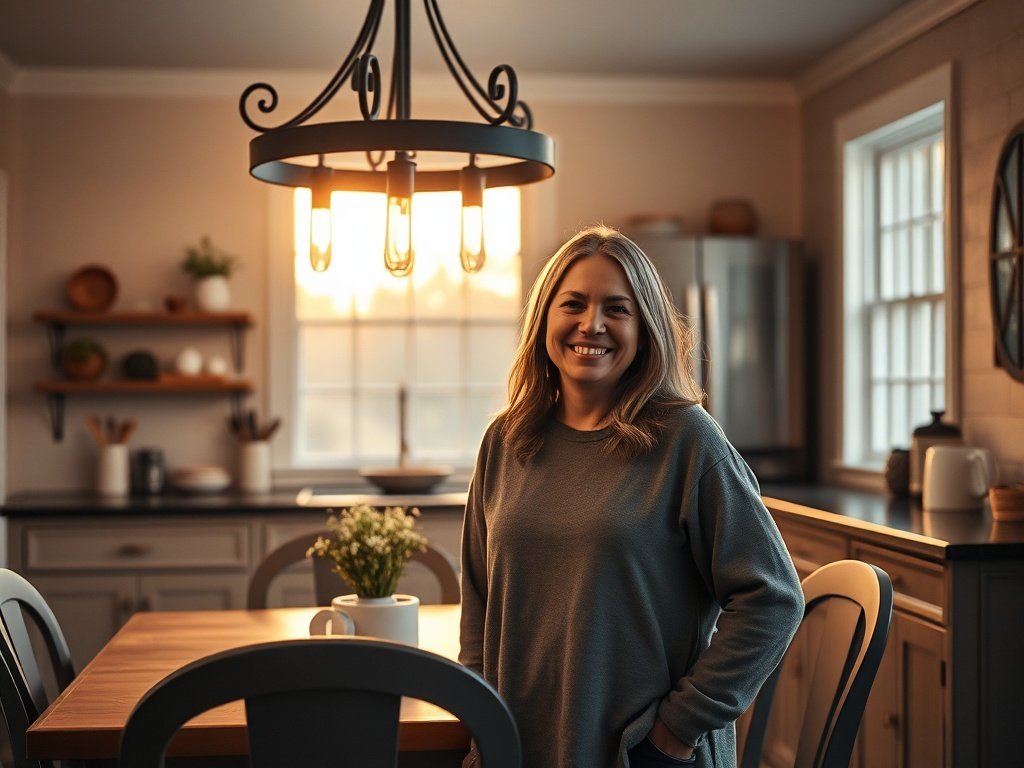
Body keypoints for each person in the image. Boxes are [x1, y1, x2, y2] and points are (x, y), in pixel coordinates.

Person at [459, 224, 804, 768]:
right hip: (518, 748)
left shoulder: (687, 439)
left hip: (642, 755)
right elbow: (480, 597)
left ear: (645, 329)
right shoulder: (506, 440)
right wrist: (480, 719)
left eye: (617, 309)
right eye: (573, 303)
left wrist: (676, 730)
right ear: (544, 318)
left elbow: (774, 596)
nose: (591, 324)